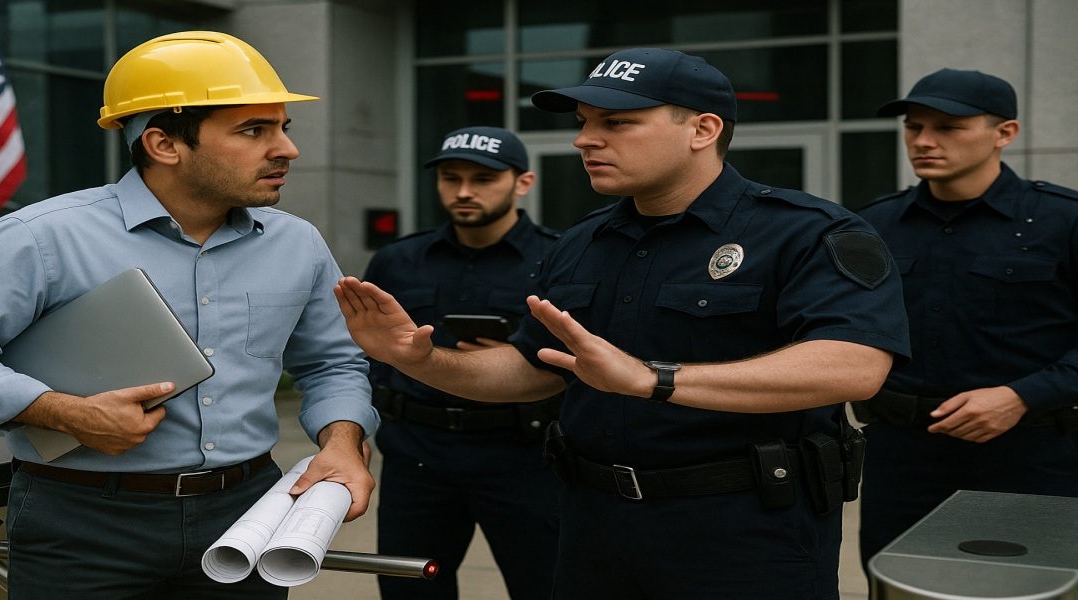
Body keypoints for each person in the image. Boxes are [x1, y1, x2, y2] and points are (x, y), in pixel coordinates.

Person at [336, 47, 910, 599]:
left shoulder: (806, 232)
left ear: (703, 130)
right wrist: (421, 360)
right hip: (593, 528)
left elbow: (854, 366)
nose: (586, 138)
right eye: (585, 121)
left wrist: (650, 379)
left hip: (743, 530)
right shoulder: (583, 242)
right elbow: (532, 368)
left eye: (617, 122)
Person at [0, 31, 378, 599]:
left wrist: (344, 440)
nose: (287, 150)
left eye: (282, 128)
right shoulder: (41, 236)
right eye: (253, 130)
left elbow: (332, 363)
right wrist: (63, 412)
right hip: (82, 521)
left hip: (248, 514)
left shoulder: (297, 243)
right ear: (163, 144)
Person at [855, 68, 1078, 567]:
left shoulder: (1062, 220)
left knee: (1024, 591)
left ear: (1005, 133)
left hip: (1033, 458)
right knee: (900, 586)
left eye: (948, 127)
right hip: (904, 461)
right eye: (914, 127)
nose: (924, 141)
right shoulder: (874, 225)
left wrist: (1023, 396)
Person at [364, 126, 560, 600]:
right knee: (409, 586)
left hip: (523, 454)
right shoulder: (397, 260)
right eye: (451, 178)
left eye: (483, 178)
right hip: (417, 455)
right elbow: (365, 355)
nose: (464, 191)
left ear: (524, 183)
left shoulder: (560, 258)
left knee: (547, 585)